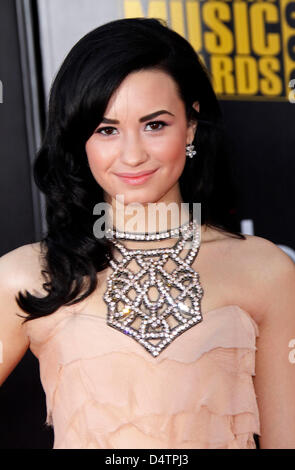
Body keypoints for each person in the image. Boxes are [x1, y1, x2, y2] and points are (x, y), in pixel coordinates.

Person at [0, 17, 294, 450]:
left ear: (191, 125)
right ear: (80, 139)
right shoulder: (28, 275)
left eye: (154, 125)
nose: (133, 154)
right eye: (106, 129)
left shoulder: (265, 269)